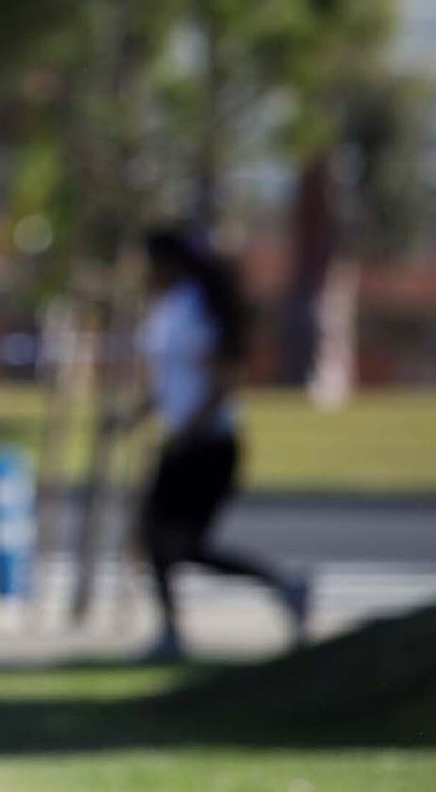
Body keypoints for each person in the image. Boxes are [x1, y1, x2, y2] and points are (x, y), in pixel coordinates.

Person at [125, 227, 309, 662]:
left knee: (171, 542)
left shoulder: (197, 309)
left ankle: (278, 588)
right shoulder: (168, 308)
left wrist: (187, 432)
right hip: (184, 441)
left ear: (167, 262)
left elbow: (221, 381)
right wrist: (136, 416)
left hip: (207, 445)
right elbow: (172, 381)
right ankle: (177, 629)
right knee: (160, 541)